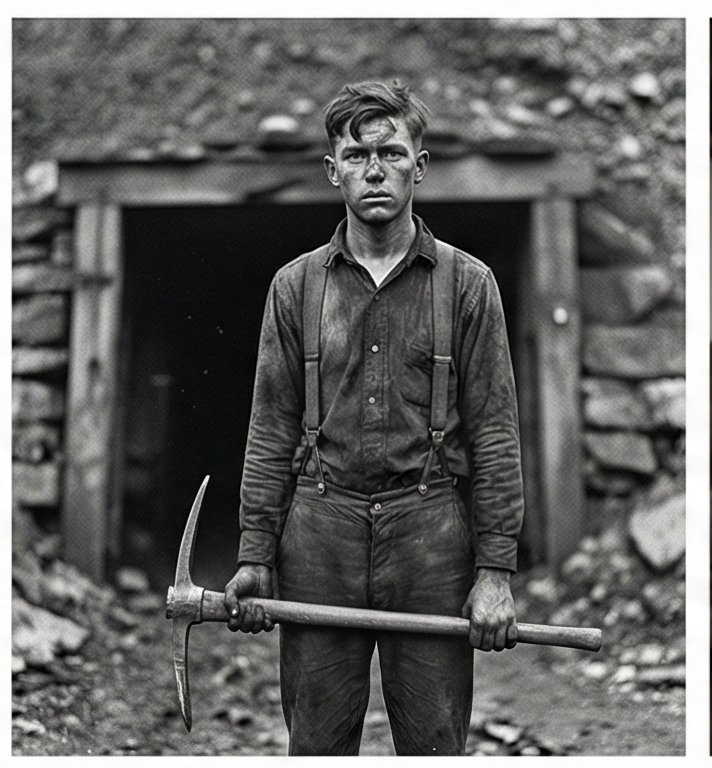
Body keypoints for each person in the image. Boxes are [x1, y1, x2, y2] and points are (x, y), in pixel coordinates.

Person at [223, 80, 524, 756]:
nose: (375, 169)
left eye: (391, 152)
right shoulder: (296, 287)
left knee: (435, 741)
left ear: (419, 166)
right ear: (334, 172)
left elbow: (496, 432)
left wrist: (495, 572)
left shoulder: (467, 284)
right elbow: (270, 429)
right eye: (358, 156)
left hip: (430, 537)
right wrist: (254, 554)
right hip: (320, 534)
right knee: (318, 742)